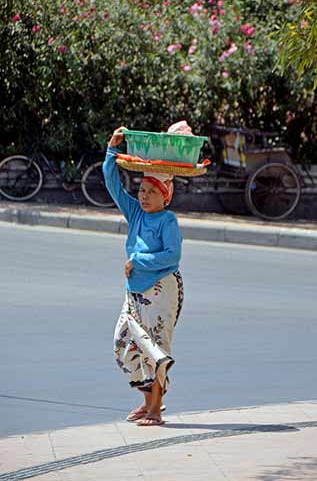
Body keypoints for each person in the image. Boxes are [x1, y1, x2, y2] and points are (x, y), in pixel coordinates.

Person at [103, 126, 184, 426]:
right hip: (134, 290)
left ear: (165, 197)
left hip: (161, 289)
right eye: (142, 190)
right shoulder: (135, 212)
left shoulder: (167, 220)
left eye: (152, 191)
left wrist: (137, 259)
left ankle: (155, 407)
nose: (144, 196)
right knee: (124, 343)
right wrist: (112, 149)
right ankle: (147, 400)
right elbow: (112, 184)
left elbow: (172, 256)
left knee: (154, 347)